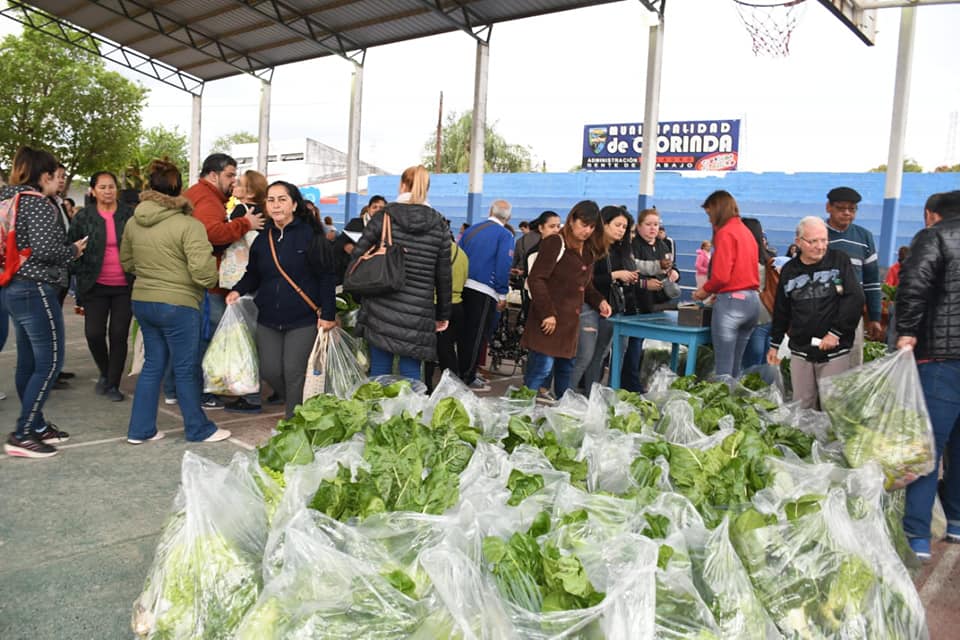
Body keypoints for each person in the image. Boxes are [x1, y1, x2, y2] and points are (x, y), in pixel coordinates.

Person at [120, 160, 228, 445]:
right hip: (179, 304)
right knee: (185, 367)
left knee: (153, 364)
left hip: (143, 300)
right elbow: (204, 274)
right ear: (179, 188)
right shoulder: (188, 225)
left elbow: (127, 262)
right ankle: (198, 428)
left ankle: (140, 430)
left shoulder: (133, 222)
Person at [2, 146, 86, 458]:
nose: (58, 180)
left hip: (13, 287)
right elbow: (46, 250)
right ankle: (23, 433)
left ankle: (36, 425)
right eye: (55, 174)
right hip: (35, 288)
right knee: (50, 362)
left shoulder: (8, 198)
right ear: (44, 175)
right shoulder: (36, 203)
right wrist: (73, 251)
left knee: (28, 361)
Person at [227, 182, 337, 419]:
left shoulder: (310, 236)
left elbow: (326, 277)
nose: (276, 205)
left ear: (294, 205)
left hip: (303, 319)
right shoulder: (262, 240)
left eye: (282, 199)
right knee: (270, 371)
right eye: (271, 200)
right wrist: (237, 290)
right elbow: (253, 274)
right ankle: (304, 407)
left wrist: (328, 313)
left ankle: (292, 423)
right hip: (268, 319)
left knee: (293, 372)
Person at [895, 190, 960, 561]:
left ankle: (917, 535)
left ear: (932, 214)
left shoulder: (934, 236)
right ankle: (956, 521)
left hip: (940, 357)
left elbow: (914, 285)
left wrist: (906, 331)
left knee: (928, 447)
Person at [351, 165, 452, 381]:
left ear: (402, 185)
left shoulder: (384, 217)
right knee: (411, 372)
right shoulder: (439, 224)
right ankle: (410, 405)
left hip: (381, 305)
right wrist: (443, 314)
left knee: (380, 370)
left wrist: (362, 296)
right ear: (426, 188)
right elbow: (444, 275)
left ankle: (379, 404)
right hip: (419, 311)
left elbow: (357, 258)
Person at [184, 153, 264, 408]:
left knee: (210, 335)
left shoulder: (200, 196)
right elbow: (212, 234)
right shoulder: (208, 200)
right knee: (213, 336)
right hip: (213, 282)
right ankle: (204, 390)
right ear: (213, 175)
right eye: (230, 176)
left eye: (237, 179)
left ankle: (191, 389)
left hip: (216, 281)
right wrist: (244, 224)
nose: (233, 182)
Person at [767, 217, 863, 410]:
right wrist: (775, 344)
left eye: (824, 240)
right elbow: (782, 309)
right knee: (802, 406)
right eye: (813, 241)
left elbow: (854, 299)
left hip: (834, 350)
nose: (820, 246)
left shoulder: (839, 260)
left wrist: (835, 333)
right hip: (801, 351)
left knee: (833, 407)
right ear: (798, 242)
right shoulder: (789, 270)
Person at [521, 201, 611, 401]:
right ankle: (520, 410)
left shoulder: (587, 250)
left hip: (569, 325)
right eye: (583, 224)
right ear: (572, 220)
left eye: (592, 227)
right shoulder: (555, 242)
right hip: (548, 322)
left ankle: (563, 411)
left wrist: (599, 301)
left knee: (566, 370)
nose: (587, 231)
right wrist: (547, 313)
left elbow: (585, 286)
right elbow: (536, 279)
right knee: (542, 369)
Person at [66, 171, 134, 401]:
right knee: (94, 333)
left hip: (124, 285)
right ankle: (105, 372)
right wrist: (77, 274)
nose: (107, 191)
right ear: (93, 191)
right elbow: (70, 247)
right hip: (94, 285)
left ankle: (113, 383)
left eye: (111, 186)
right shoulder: (84, 217)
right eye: (102, 187)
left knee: (118, 334)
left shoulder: (128, 214)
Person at [692, 190, 759, 378]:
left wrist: (703, 292)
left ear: (717, 210)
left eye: (709, 214)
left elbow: (721, 276)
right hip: (752, 302)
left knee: (723, 370)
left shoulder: (725, 233)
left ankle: (724, 397)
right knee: (735, 369)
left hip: (731, 303)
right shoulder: (746, 232)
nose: (709, 220)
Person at [571, 206, 637, 392]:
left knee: (605, 354)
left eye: (624, 227)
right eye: (617, 225)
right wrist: (615, 275)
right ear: (604, 224)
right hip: (591, 306)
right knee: (587, 355)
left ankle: (595, 392)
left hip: (614, 307)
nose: (621, 230)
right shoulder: (591, 248)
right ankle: (571, 392)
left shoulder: (621, 250)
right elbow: (587, 282)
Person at [457, 200, 514, 390]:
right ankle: (467, 376)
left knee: (465, 333)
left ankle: (464, 371)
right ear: (509, 217)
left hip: (464, 285)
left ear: (490, 211)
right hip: (485, 290)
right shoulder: (505, 235)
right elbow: (503, 265)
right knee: (477, 336)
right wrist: (502, 293)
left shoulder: (472, 230)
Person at [824, 186, 882, 366]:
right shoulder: (816, 234)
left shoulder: (864, 237)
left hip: (852, 314)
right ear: (829, 207)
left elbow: (872, 281)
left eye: (852, 209)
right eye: (841, 208)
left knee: (852, 365)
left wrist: (875, 317)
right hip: (820, 313)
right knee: (821, 360)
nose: (847, 213)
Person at [425, 234, 468, 392]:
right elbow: (465, 279)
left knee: (429, 350)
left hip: (435, 303)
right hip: (456, 305)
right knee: (447, 350)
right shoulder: (462, 254)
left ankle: (427, 387)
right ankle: (452, 388)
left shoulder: (434, 251)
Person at [740, 217, 774, 371]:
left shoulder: (746, 260)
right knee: (763, 363)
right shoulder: (768, 258)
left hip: (752, 315)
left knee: (749, 366)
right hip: (768, 314)